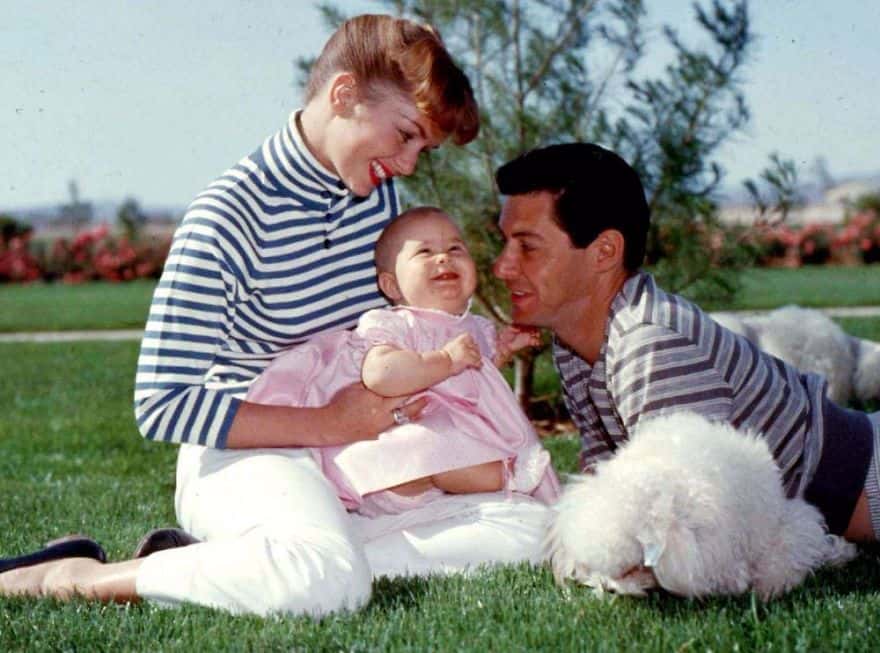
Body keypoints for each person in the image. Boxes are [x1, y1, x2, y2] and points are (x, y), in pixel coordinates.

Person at [0, 15, 553, 616]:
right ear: (344, 95)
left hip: (356, 455)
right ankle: (76, 575)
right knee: (324, 583)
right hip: (252, 452)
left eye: (422, 149)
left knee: (532, 530)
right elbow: (162, 404)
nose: (408, 164)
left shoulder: (378, 203)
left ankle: (243, 558)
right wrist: (329, 423)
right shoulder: (226, 217)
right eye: (404, 136)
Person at [491, 142, 880, 543]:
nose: (501, 266)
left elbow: (693, 527)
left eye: (528, 247)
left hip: (865, 477)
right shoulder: (574, 344)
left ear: (604, 252)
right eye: (504, 243)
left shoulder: (650, 341)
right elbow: (604, 474)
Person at [246, 206, 560, 516]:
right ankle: (509, 479)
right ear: (392, 286)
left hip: (450, 450)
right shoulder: (394, 324)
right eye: (425, 252)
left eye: (455, 248)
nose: (443, 257)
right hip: (396, 461)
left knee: (455, 445)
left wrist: (502, 350)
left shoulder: (475, 326)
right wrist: (444, 359)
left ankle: (499, 484)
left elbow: (478, 377)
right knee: (434, 444)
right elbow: (380, 375)